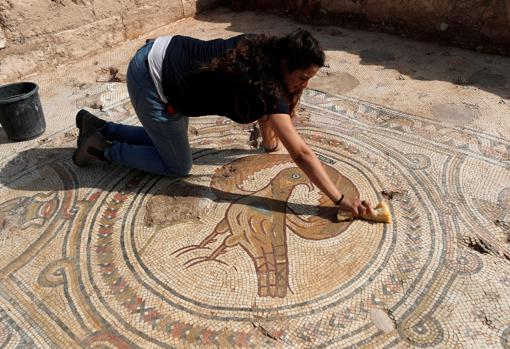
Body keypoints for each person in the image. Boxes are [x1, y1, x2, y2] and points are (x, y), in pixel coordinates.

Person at [72, 29, 372, 217]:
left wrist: (270, 144)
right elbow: (301, 154)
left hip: (164, 53)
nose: (304, 85)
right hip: (152, 78)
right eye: (303, 77)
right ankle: (101, 149)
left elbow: (271, 127)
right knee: (177, 166)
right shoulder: (268, 87)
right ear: (285, 65)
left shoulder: (265, 51)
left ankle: (100, 126)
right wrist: (339, 198)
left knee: (167, 141)